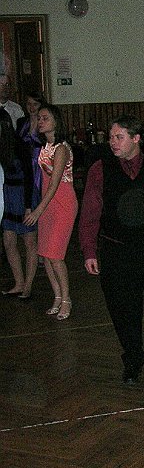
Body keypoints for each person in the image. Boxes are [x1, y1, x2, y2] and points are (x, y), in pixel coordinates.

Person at [78, 114, 144, 384]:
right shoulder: (100, 169)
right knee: (123, 312)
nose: (112, 142)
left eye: (119, 137)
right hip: (116, 252)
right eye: (111, 137)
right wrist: (89, 251)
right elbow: (90, 213)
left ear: (136, 138)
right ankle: (132, 358)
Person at [23, 104, 77, 320]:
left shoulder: (61, 148)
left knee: (55, 255)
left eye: (45, 118)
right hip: (47, 203)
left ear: (56, 121)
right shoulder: (45, 146)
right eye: (39, 118)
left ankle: (66, 299)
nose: (40, 121)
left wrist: (38, 210)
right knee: (45, 254)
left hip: (62, 203)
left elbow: (55, 184)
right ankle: (57, 296)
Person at [1, 109, 36, 299]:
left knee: (29, 241)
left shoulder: (19, 145)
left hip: (23, 194)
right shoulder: (2, 145)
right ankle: (19, 282)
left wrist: (29, 206)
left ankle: (28, 285)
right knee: (8, 241)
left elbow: (30, 177)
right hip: (9, 194)